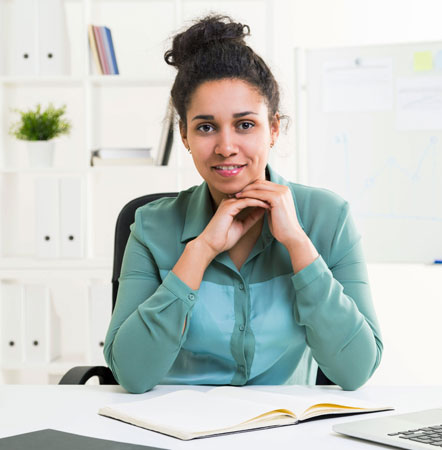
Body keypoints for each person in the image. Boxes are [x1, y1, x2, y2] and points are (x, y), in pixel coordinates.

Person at [104, 14, 383, 394]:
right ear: (184, 135)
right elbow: (132, 375)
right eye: (205, 127)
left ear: (274, 128)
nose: (225, 146)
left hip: (279, 430)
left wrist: (299, 246)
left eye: (245, 124)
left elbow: (356, 370)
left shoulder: (327, 218)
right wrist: (200, 251)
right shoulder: (151, 226)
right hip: (174, 430)